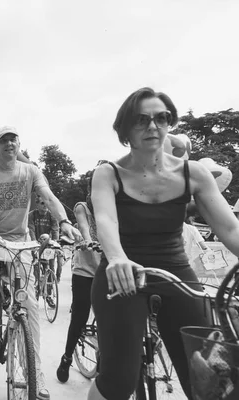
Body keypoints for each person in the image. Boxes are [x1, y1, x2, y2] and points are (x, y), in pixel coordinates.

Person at [88, 87, 239, 400]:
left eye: (161, 118)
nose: (153, 126)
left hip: (175, 271)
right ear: (125, 129)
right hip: (123, 275)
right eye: (142, 120)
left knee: (209, 376)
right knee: (118, 380)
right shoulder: (108, 173)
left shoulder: (193, 172)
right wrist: (116, 258)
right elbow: (106, 221)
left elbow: (229, 228)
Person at [0, 125, 81, 400]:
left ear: (19, 144)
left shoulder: (31, 171)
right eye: (3, 140)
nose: (9, 144)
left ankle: (35, 371)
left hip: (20, 243)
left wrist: (63, 222)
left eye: (13, 139)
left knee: (30, 307)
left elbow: (49, 198)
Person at [56, 172, 101, 383]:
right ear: (90, 189)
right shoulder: (83, 207)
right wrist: (88, 240)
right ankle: (66, 358)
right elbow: (83, 227)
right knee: (80, 316)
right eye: (96, 187)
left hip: (108, 270)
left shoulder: (114, 208)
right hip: (85, 271)